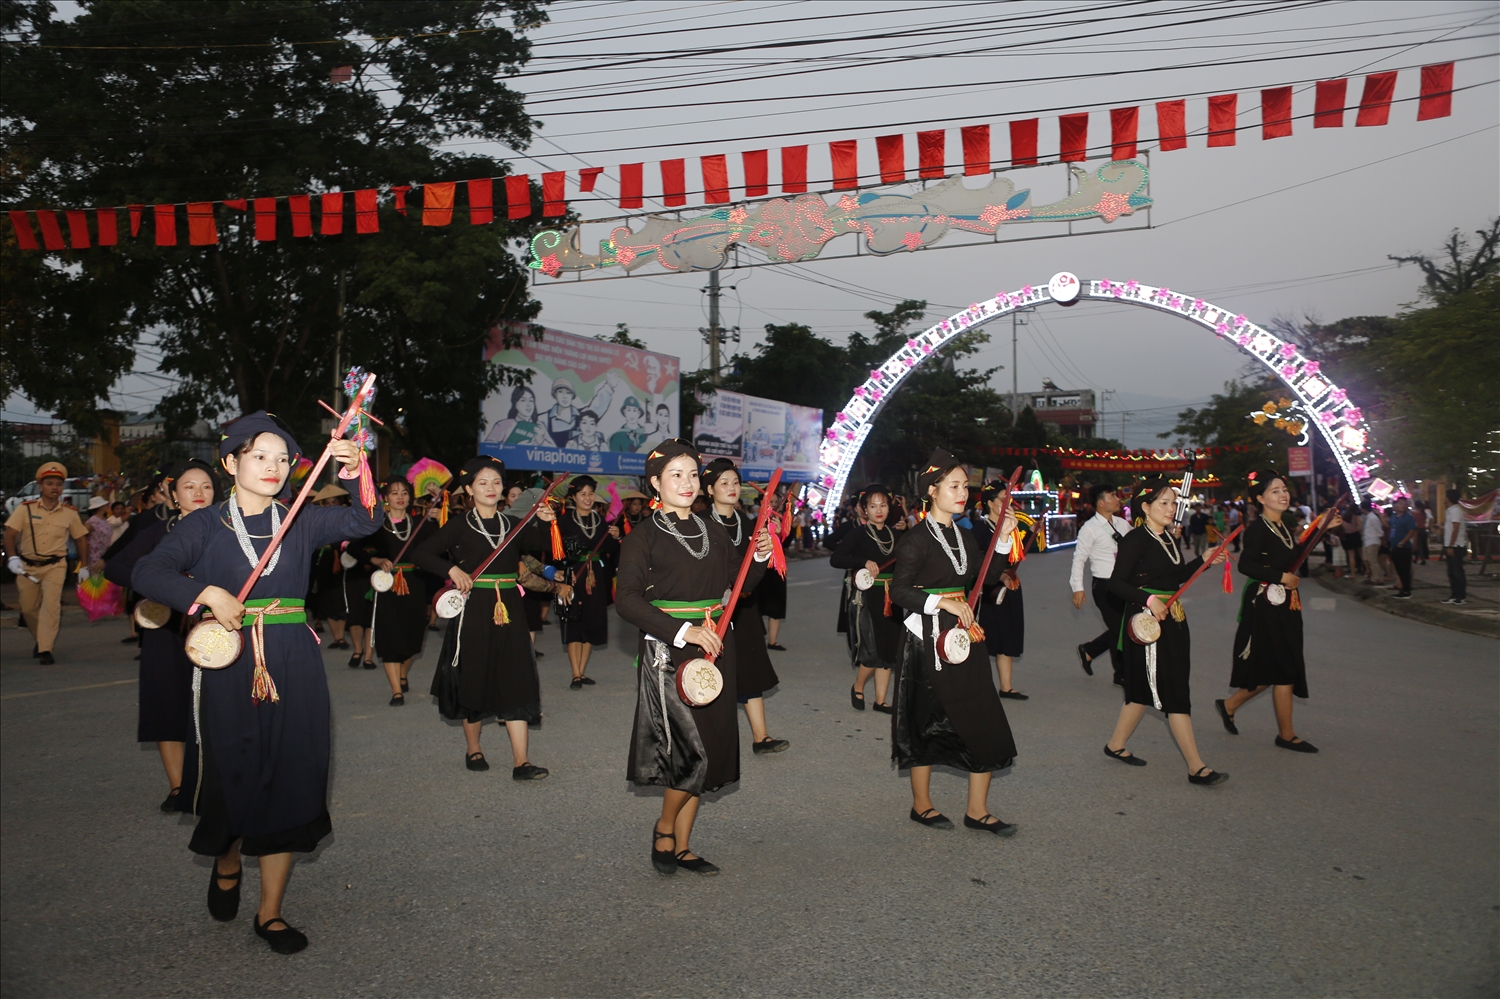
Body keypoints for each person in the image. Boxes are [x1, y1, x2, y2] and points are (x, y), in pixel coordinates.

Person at [131, 412, 379, 955]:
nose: (273, 467)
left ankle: (270, 914)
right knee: (232, 775)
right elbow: (147, 573)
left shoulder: (302, 519)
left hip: (294, 659)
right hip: (231, 662)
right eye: (259, 456)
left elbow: (365, 521)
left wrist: (361, 470)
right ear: (231, 462)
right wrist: (206, 597)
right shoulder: (202, 524)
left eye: (283, 459)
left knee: (292, 773)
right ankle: (225, 862)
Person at [614, 440, 773, 876]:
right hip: (671, 651)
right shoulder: (642, 536)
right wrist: (685, 631)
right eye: (675, 475)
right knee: (690, 750)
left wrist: (758, 558)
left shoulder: (712, 529)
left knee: (714, 745)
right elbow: (626, 600)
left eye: (690, 474)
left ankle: (682, 845)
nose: (686, 483)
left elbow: (738, 587)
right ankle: (665, 827)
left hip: (717, 647)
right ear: (655, 483)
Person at [889, 452, 1019, 836]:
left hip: (965, 637)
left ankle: (977, 810)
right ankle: (921, 804)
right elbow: (898, 591)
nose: (964, 492)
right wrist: (941, 601)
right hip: (925, 639)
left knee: (983, 716)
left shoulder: (964, 536)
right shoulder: (914, 539)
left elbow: (984, 578)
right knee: (925, 721)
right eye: (955, 486)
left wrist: (1004, 540)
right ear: (932, 492)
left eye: (965, 486)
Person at [412, 457, 566, 777]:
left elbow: (542, 547)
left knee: (517, 676)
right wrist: (452, 569)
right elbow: (421, 553)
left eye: (496, 482)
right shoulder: (458, 524)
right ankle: (474, 747)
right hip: (474, 608)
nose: (491, 488)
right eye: (482, 482)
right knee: (474, 675)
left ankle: (521, 762)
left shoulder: (513, 523)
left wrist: (545, 519)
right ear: (469, 489)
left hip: (509, 607)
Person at [104, 458, 217, 811]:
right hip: (166, 628)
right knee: (167, 704)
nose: (198, 493)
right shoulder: (156, 534)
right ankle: (179, 786)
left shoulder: (228, 532)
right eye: (189, 486)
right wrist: (160, 586)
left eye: (206, 486)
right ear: (172, 494)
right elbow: (115, 566)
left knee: (218, 705)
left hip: (214, 630)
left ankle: (218, 779)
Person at [1102, 478, 1229, 787]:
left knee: (1141, 691)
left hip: (1172, 619)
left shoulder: (1169, 538)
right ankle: (1196, 767)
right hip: (1147, 622)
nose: (1171, 508)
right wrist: (1148, 599)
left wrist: (1204, 559)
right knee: (1173, 690)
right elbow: (1115, 583)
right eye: (1163, 502)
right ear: (1145, 507)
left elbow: (1176, 578)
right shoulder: (1135, 539)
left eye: (1173, 502)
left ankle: (1115, 745)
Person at [1216, 471, 1334, 752]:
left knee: (1277, 667)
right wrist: (1281, 577)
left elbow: (1293, 558)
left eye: (1284, 489)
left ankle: (1230, 705)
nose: (1283, 494)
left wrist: (1321, 528)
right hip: (1266, 608)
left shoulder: (1282, 526)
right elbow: (1246, 565)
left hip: (1286, 605)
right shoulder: (1258, 529)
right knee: (1283, 669)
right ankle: (1287, 735)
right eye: (1275, 491)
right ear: (1260, 498)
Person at [702, 458, 788, 754]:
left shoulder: (752, 524)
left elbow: (760, 569)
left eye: (735, 482)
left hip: (745, 608)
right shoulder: (700, 523)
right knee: (712, 672)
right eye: (723, 483)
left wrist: (770, 544)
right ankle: (707, 739)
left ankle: (761, 738)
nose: (732, 487)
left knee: (750, 668)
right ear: (710, 489)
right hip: (712, 611)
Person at [357, 476, 437, 705]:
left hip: (415, 585)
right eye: (394, 493)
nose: (400, 497)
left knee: (414, 638)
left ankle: (403, 673)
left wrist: (439, 516)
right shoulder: (377, 525)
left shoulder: (420, 523)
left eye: (404, 492)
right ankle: (396, 691)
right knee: (390, 636)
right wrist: (375, 559)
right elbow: (355, 547)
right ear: (386, 498)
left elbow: (442, 543)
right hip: (387, 587)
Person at [4, 461, 89, 665]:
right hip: (27, 566)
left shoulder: (70, 512)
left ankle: (45, 649)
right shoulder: (25, 509)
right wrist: (12, 557)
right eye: (49, 483)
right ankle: (42, 639)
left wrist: (83, 565)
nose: (54, 487)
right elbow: (9, 535)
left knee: (51, 607)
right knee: (28, 608)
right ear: (40, 486)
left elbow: (81, 539)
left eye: (58, 484)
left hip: (55, 565)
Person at [829, 484, 902, 713]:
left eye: (883, 505)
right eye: (873, 505)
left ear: (889, 508)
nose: (878, 510)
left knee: (890, 650)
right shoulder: (857, 534)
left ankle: (880, 700)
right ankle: (858, 686)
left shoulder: (898, 535)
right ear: (865, 509)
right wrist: (862, 562)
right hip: (867, 596)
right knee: (872, 650)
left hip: (892, 597)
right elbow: (836, 558)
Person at [970, 479, 1040, 701]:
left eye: (1009, 500)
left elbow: (1017, 555)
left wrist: (1031, 533)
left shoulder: (1011, 526)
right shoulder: (980, 529)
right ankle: (978, 686)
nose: (1008, 503)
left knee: (1007, 636)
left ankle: (1006, 687)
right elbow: (977, 561)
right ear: (990, 503)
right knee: (984, 638)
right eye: (1003, 499)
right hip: (988, 591)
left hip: (1010, 586)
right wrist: (998, 574)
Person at [557, 475, 620, 689]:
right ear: (573, 497)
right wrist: (563, 574)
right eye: (582, 494)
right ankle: (575, 674)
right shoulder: (564, 521)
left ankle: (582, 672)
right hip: (573, 576)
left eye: (591, 493)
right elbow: (557, 552)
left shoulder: (600, 521)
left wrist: (615, 536)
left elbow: (611, 551)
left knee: (592, 624)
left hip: (596, 578)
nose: (587, 498)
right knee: (574, 622)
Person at [1071, 483, 1133, 685]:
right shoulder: (1089, 528)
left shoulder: (1123, 524)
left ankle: (1089, 650)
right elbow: (1079, 559)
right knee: (1120, 629)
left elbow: (1138, 546)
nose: (1118, 499)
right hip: (1104, 587)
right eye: (1112, 496)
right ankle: (1122, 673)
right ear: (1100, 502)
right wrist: (1077, 588)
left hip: (1125, 584)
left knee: (1124, 627)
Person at [757, 486, 790, 652]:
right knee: (756, 606)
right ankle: (755, 639)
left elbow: (785, 546)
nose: (774, 505)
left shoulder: (780, 520)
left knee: (776, 606)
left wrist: (783, 533)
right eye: (771, 501)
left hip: (776, 569)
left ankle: (773, 640)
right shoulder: (753, 520)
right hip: (759, 569)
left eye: (777, 502)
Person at [1442, 489, 1469, 605]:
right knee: (1451, 571)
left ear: (1448, 498)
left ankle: (1460, 596)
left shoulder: (1456, 511)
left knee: (1457, 571)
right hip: (1450, 544)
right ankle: (1454, 594)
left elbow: (1456, 528)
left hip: (1456, 545)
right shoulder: (1450, 511)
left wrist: (1451, 545)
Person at [1387, 497, 1417, 599]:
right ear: (1395, 505)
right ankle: (1402, 589)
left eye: (1405, 504)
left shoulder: (1409, 517)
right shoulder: (1394, 516)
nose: (1403, 505)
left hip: (1404, 547)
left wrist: (1402, 542)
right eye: (1400, 503)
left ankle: (1406, 590)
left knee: (1405, 569)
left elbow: (1412, 531)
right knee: (1399, 569)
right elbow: (1389, 526)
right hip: (1394, 545)